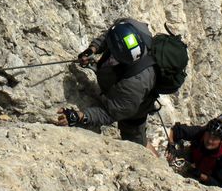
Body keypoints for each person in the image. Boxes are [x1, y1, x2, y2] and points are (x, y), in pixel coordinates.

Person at [57, 18, 157, 146]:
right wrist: (93, 49)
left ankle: (152, 155)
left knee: (135, 141)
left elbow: (111, 113)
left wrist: (80, 116)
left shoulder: (133, 86)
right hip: (122, 88)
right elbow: (110, 35)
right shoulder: (129, 27)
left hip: (135, 108)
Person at [168, 115, 222, 191]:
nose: (210, 140)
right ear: (205, 132)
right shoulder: (201, 132)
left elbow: (219, 184)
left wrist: (200, 175)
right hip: (198, 162)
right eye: (209, 135)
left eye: (215, 138)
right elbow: (176, 129)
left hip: (214, 176)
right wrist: (171, 145)